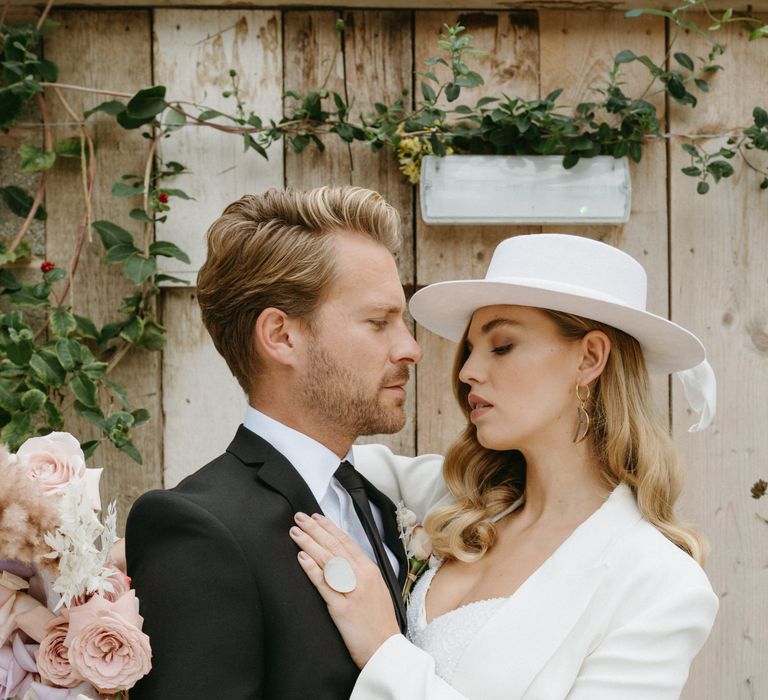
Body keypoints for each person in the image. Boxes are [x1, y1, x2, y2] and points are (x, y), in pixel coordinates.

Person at [291, 233, 720, 699]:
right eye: (470, 350)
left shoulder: (658, 584)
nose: (467, 371)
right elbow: (307, 453)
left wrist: (383, 649)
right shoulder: (450, 496)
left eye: (501, 346)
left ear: (590, 357)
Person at [125, 186, 447, 699]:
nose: (410, 348)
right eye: (378, 322)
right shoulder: (198, 529)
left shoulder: (379, 506)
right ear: (281, 335)